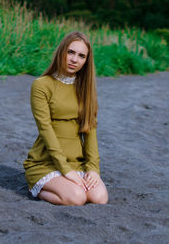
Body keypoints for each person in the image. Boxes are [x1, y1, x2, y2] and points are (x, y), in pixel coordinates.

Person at [23, 31, 108, 205]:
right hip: (46, 162)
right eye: (71, 52)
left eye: (81, 56)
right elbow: (45, 129)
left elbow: (90, 131)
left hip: (77, 163)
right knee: (77, 198)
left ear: (86, 61)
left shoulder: (86, 89)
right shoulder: (42, 85)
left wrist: (93, 169)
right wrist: (66, 171)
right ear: (62, 51)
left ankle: (67, 184)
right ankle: (37, 190)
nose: (74, 60)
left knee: (99, 198)